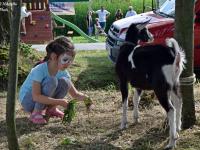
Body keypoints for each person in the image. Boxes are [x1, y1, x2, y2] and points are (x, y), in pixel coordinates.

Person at [18, 36, 88, 124]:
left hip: (41, 100)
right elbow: (36, 96)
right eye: (65, 60)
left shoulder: (63, 72)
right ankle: (36, 113)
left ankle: (51, 109)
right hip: (28, 101)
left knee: (66, 82)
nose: (68, 64)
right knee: (51, 80)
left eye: (70, 61)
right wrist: (59, 102)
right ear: (54, 57)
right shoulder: (40, 70)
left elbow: (75, 94)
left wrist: (87, 99)